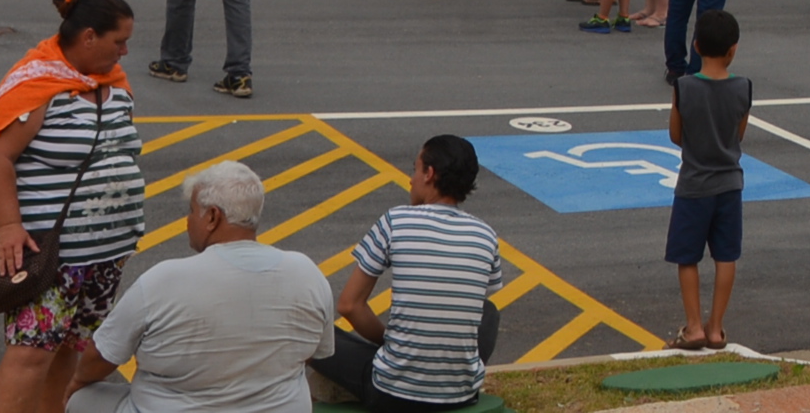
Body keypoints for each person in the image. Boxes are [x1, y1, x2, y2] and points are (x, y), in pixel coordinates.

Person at [0, 0, 146, 413]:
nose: (125, 52)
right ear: (89, 37)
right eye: (119, 41)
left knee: (71, 345)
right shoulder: (37, 84)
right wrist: (9, 227)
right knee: (31, 353)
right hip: (51, 255)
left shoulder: (112, 81)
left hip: (105, 252)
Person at [70, 160, 336, 413]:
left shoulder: (163, 281)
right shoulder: (308, 274)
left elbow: (101, 357)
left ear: (212, 217)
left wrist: (76, 384)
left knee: (81, 398)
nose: (188, 220)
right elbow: (314, 353)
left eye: (191, 210)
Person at [319, 137, 504, 411]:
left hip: (390, 393)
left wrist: (390, 341)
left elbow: (349, 305)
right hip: (461, 395)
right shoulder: (486, 235)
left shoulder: (396, 220)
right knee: (488, 311)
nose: (411, 179)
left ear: (429, 174)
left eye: (415, 169)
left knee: (312, 330)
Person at [666, 9, 750, 351]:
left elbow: (676, 135)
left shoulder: (684, 87)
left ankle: (693, 326)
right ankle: (716, 328)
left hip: (693, 185)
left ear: (696, 46)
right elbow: (738, 134)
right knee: (725, 256)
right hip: (729, 184)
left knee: (687, 257)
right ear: (733, 49)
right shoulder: (743, 87)